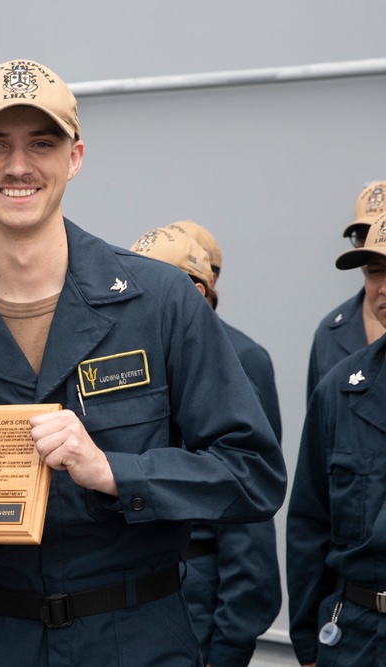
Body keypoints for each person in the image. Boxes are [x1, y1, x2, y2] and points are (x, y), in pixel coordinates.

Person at [0, 59, 285, 667]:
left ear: (74, 157)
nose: (19, 166)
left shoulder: (159, 304)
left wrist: (114, 472)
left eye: (41, 143)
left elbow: (253, 474)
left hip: (139, 638)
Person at [130, 227, 282, 667]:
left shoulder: (240, 361)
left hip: (196, 590)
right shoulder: (134, 362)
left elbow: (248, 513)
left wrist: (231, 642)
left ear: (197, 291)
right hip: (138, 591)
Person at [286, 211, 386, 667]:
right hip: (356, 637)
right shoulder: (342, 388)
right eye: (374, 271)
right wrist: (307, 642)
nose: (382, 287)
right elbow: (310, 524)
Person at [305, 180, 386, 401]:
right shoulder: (330, 331)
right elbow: (320, 425)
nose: (373, 243)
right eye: (363, 234)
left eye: (381, 230)